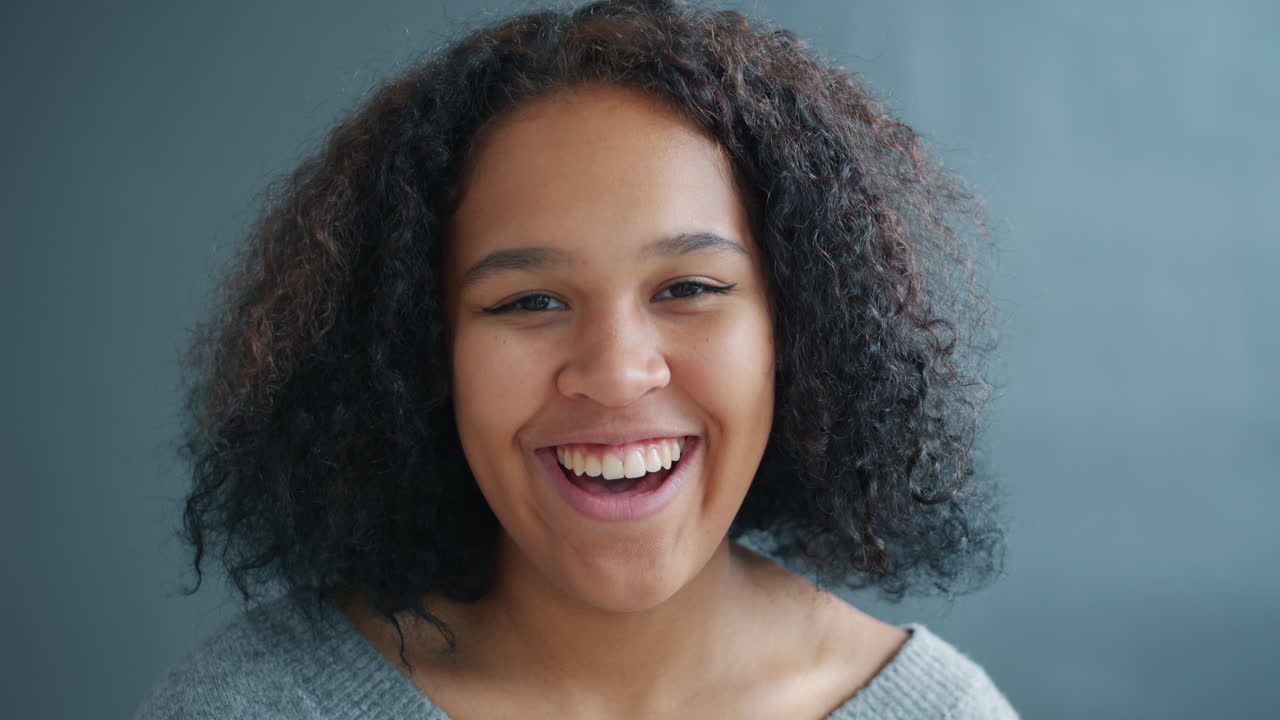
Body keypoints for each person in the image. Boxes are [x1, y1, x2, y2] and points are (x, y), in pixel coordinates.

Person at [136, 1, 1016, 717]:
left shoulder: (945, 712)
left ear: (798, 333)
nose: (616, 372)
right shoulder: (257, 704)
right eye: (530, 302)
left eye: (690, 288)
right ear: (422, 350)